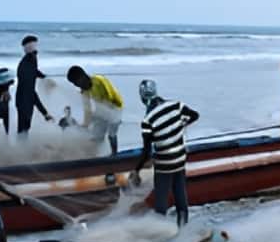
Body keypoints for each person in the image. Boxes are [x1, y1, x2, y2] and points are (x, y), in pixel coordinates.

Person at [130, 80, 199, 227]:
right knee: (180, 194)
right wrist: (180, 125)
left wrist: (136, 170)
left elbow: (147, 152)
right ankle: (182, 228)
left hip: (164, 164)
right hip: (180, 158)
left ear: (142, 97)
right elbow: (195, 115)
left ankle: (159, 233)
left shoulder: (147, 121)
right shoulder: (176, 105)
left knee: (160, 200)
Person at [66, 65, 125, 155]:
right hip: (102, 110)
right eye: (74, 84)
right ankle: (98, 153)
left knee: (111, 133)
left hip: (115, 107)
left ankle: (114, 154)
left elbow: (110, 97)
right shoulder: (84, 91)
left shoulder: (99, 80)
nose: (76, 85)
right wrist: (86, 124)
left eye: (76, 82)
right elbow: (87, 109)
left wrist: (105, 115)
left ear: (83, 76)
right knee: (96, 134)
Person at [15, 35, 53, 135]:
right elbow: (30, 92)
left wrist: (44, 77)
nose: (36, 52)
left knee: (25, 127)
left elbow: (34, 71)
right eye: (34, 50)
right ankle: (21, 148)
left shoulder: (31, 59)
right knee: (24, 128)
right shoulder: (26, 63)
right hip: (23, 99)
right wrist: (44, 113)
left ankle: (23, 147)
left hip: (26, 97)